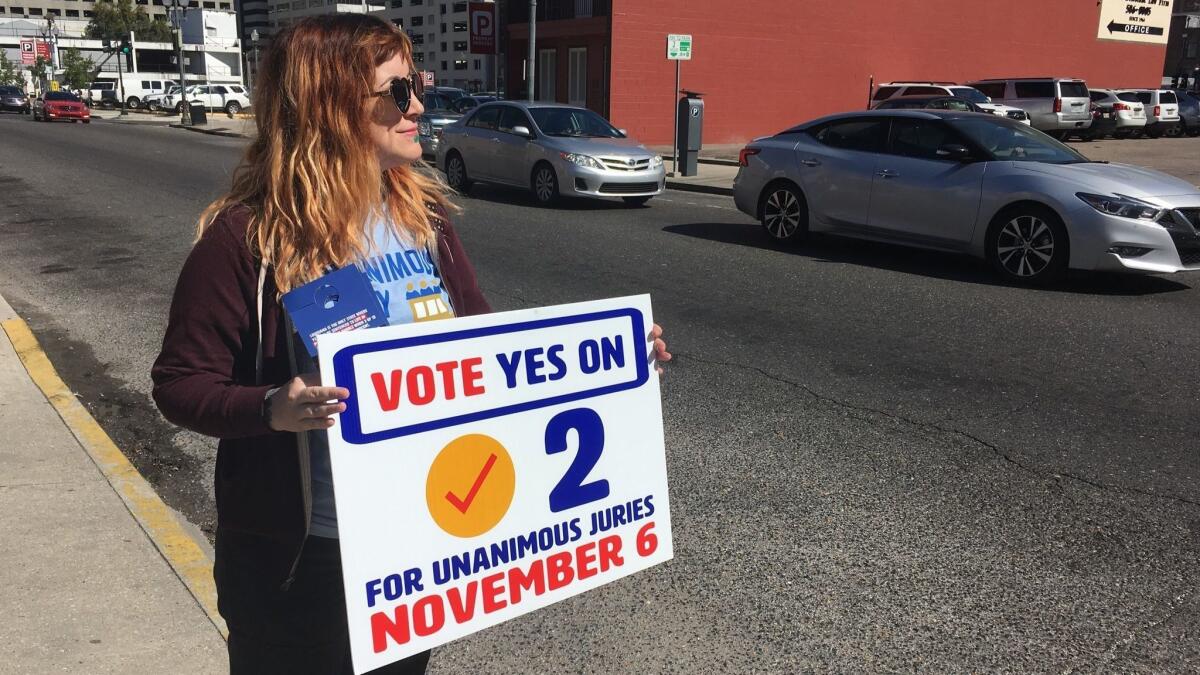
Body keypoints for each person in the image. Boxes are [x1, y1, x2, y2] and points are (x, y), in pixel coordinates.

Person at [151, 14, 670, 675]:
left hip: (411, 554)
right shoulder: (248, 239)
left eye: (416, 84)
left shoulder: (420, 221)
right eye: (398, 91)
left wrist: (609, 358)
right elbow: (180, 383)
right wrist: (270, 408)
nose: (418, 105)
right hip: (303, 565)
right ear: (330, 106)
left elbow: (483, 346)